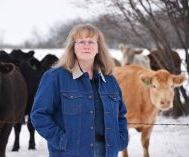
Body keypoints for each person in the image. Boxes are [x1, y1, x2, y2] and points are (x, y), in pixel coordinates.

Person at [30, 24, 128, 157]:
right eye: (81, 42)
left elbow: (120, 115)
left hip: (106, 151)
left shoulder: (109, 80)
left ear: (98, 47)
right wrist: (62, 141)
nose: (86, 46)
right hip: (70, 152)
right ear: (73, 47)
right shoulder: (54, 77)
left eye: (91, 42)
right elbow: (39, 115)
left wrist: (120, 141)